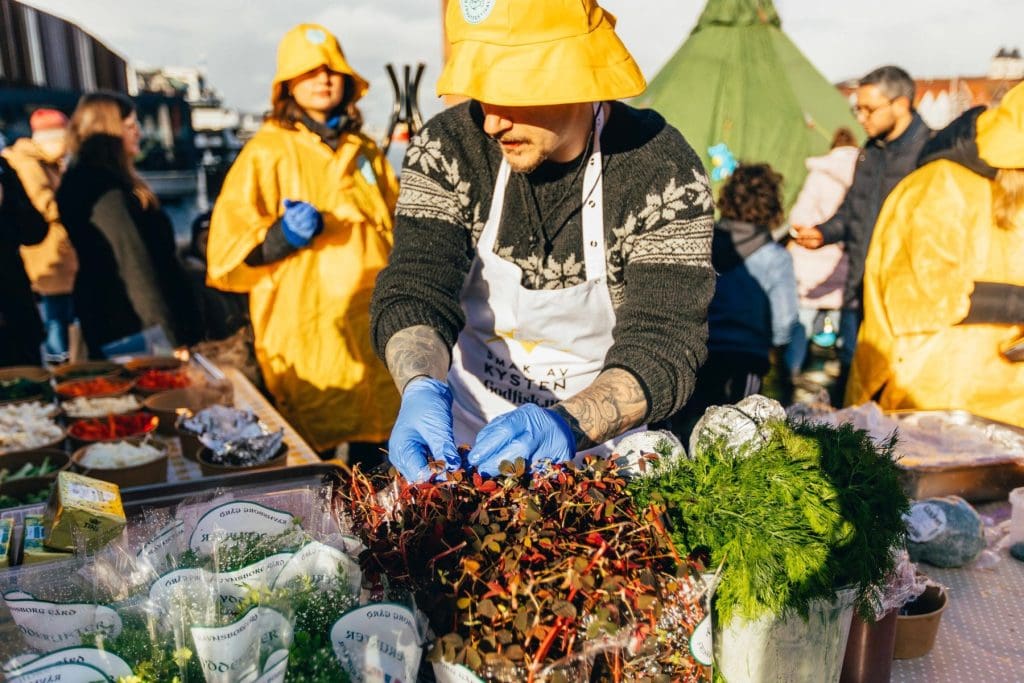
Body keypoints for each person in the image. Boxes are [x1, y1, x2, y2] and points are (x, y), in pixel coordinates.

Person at [371, 0, 715, 482]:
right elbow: (417, 287)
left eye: (511, 92)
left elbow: (665, 343)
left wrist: (567, 423)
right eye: (481, 91)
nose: (492, 123)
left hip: (600, 462)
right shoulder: (448, 148)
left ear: (576, 75)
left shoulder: (661, 171)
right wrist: (420, 385)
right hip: (461, 444)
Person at [206, 24, 400, 462]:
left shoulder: (365, 150)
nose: (322, 80)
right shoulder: (267, 151)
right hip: (307, 329)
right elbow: (229, 246)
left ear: (347, 80)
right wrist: (282, 237)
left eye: (331, 71)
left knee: (381, 447)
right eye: (308, 72)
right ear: (288, 85)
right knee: (311, 454)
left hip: (372, 321)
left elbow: (397, 221)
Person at [847, 82, 1024, 426]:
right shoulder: (940, 186)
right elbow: (923, 296)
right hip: (932, 394)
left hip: (1005, 400)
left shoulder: (1010, 194)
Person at [792, 66, 931, 393]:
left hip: (904, 299)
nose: (861, 117)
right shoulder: (869, 153)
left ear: (900, 105)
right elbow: (852, 211)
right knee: (855, 384)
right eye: (858, 109)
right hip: (860, 290)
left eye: (869, 109)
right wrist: (824, 233)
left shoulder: (929, 153)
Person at [56, 91, 200, 359]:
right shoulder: (104, 190)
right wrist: (167, 338)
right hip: (131, 328)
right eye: (131, 126)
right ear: (108, 130)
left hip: (118, 322)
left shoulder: (93, 181)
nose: (139, 133)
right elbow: (133, 265)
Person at [673, 164, 798, 438]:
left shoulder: (702, 242)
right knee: (734, 437)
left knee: (689, 434)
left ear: (727, 197)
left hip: (697, 353)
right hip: (746, 359)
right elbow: (784, 321)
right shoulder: (776, 257)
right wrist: (775, 345)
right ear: (773, 205)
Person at [2, 109, 79, 364]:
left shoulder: (9, 169)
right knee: (57, 318)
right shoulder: (27, 163)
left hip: (18, 299)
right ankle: (59, 362)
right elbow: (45, 208)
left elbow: (32, 228)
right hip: (48, 262)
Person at [784, 127, 858, 379]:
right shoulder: (865, 174)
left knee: (802, 327)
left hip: (812, 266)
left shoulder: (820, 174)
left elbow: (799, 217)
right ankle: (843, 390)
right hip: (845, 266)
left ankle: (790, 380)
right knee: (846, 335)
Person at [0, 155, 49, 366]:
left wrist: (9, 206)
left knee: (30, 390)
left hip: (16, 311)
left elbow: (35, 231)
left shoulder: (2, 168)